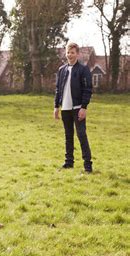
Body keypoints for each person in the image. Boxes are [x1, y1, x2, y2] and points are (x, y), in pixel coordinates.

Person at [54, 42, 93, 173]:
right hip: (65, 108)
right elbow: (58, 89)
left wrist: (84, 107)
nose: (70, 55)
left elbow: (88, 89)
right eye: (68, 52)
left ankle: (88, 166)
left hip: (78, 108)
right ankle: (68, 162)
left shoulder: (83, 69)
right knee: (68, 135)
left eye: (72, 52)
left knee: (81, 135)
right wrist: (56, 107)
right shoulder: (61, 70)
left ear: (77, 54)